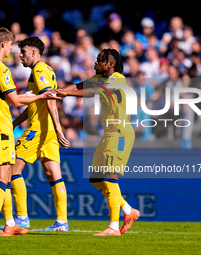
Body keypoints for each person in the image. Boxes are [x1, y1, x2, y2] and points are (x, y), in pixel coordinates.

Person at [0, 28, 58, 236]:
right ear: (3, 45)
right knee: (3, 175)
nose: (13, 50)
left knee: (4, 175)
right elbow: (14, 101)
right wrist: (41, 97)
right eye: (11, 45)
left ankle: (10, 222)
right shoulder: (0, 68)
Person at [56, 48, 140, 236]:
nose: (96, 63)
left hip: (120, 133)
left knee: (110, 178)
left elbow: (92, 92)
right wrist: (59, 91)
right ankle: (128, 211)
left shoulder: (116, 79)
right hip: (109, 134)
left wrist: (65, 95)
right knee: (95, 178)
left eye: (100, 60)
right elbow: (80, 86)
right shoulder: (101, 78)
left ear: (111, 65)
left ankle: (113, 227)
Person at [4, 36, 70, 232]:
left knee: (12, 170)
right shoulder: (47, 69)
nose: (20, 55)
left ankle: (22, 218)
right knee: (54, 175)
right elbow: (37, 102)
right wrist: (15, 122)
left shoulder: (39, 70)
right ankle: (62, 222)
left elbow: (49, 98)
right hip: (48, 130)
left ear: (34, 52)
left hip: (38, 130)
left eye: (23, 52)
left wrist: (59, 128)